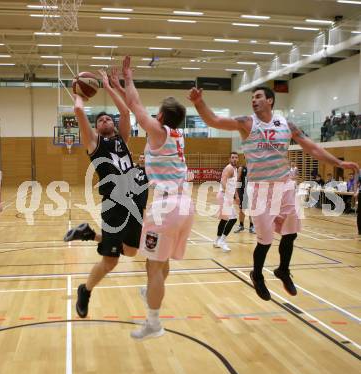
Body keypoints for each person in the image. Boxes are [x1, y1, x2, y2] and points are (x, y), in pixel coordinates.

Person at [188, 85, 359, 301]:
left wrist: (338, 163)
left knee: (291, 233)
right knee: (265, 240)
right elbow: (214, 121)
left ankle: (283, 270)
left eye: (258, 97)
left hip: (284, 185)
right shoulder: (247, 123)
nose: (254, 100)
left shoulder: (286, 124)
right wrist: (199, 103)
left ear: (270, 101)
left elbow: (312, 148)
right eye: (252, 97)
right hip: (260, 188)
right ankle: (257, 274)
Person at [122, 55, 194, 339]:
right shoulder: (178, 135)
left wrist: (128, 78)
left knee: (152, 265)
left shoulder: (159, 131)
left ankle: (153, 323)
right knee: (161, 263)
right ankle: (153, 291)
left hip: (166, 206)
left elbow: (135, 106)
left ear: (161, 117)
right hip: (185, 205)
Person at [66, 68, 145, 318]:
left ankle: (90, 235)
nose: (104, 121)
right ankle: (85, 290)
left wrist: (109, 86)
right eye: (99, 120)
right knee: (111, 262)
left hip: (135, 199)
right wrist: (78, 92)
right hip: (114, 204)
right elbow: (79, 111)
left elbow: (125, 111)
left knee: (131, 251)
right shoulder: (95, 144)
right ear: (96, 128)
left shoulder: (123, 139)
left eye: (106, 119)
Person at [214, 152, 239, 252]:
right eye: (232, 158)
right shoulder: (229, 168)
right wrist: (231, 194)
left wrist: (236, 196)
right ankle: (222, 241)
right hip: (224, 196)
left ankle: (217, 240)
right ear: (229, 159)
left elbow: (234, 185)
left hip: (226, 196)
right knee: (233, 219)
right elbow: (223, 181)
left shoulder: (235, 169)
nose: (234, 159)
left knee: (224, 220)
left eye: (236, 157)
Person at [234, 161, 255, 234]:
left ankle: (252, 227)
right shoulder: (241, 168)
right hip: (243, 191)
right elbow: (237, 181)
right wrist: (236, 193)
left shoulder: (254, 169)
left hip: (251, 191)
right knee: (242, 210)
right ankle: (241, 225)